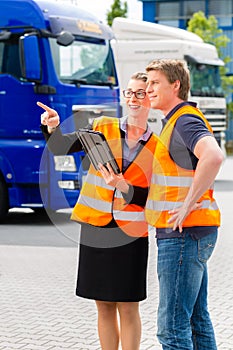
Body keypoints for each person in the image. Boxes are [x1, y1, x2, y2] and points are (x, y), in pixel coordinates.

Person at [37, 72, 158, 350]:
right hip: (95, 229)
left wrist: (123, 185)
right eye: (129, 92)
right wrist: (53, 127)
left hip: (130, 234)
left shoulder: (157, 146)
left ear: (150, 97)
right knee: (103, 305)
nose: (134, 98)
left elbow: (153, 198)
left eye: (140, 92)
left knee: (128, 306)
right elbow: (60, 148)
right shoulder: (103, 126)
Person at [144, 59, 225, 349]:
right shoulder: (175, 122)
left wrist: (188, 203)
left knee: (172, 329)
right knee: (196, 321)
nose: (148, 88)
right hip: (191, 233)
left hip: (183, 235)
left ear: (175, 85)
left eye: (155, 83)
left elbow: (214, 156)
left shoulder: (185, 120)